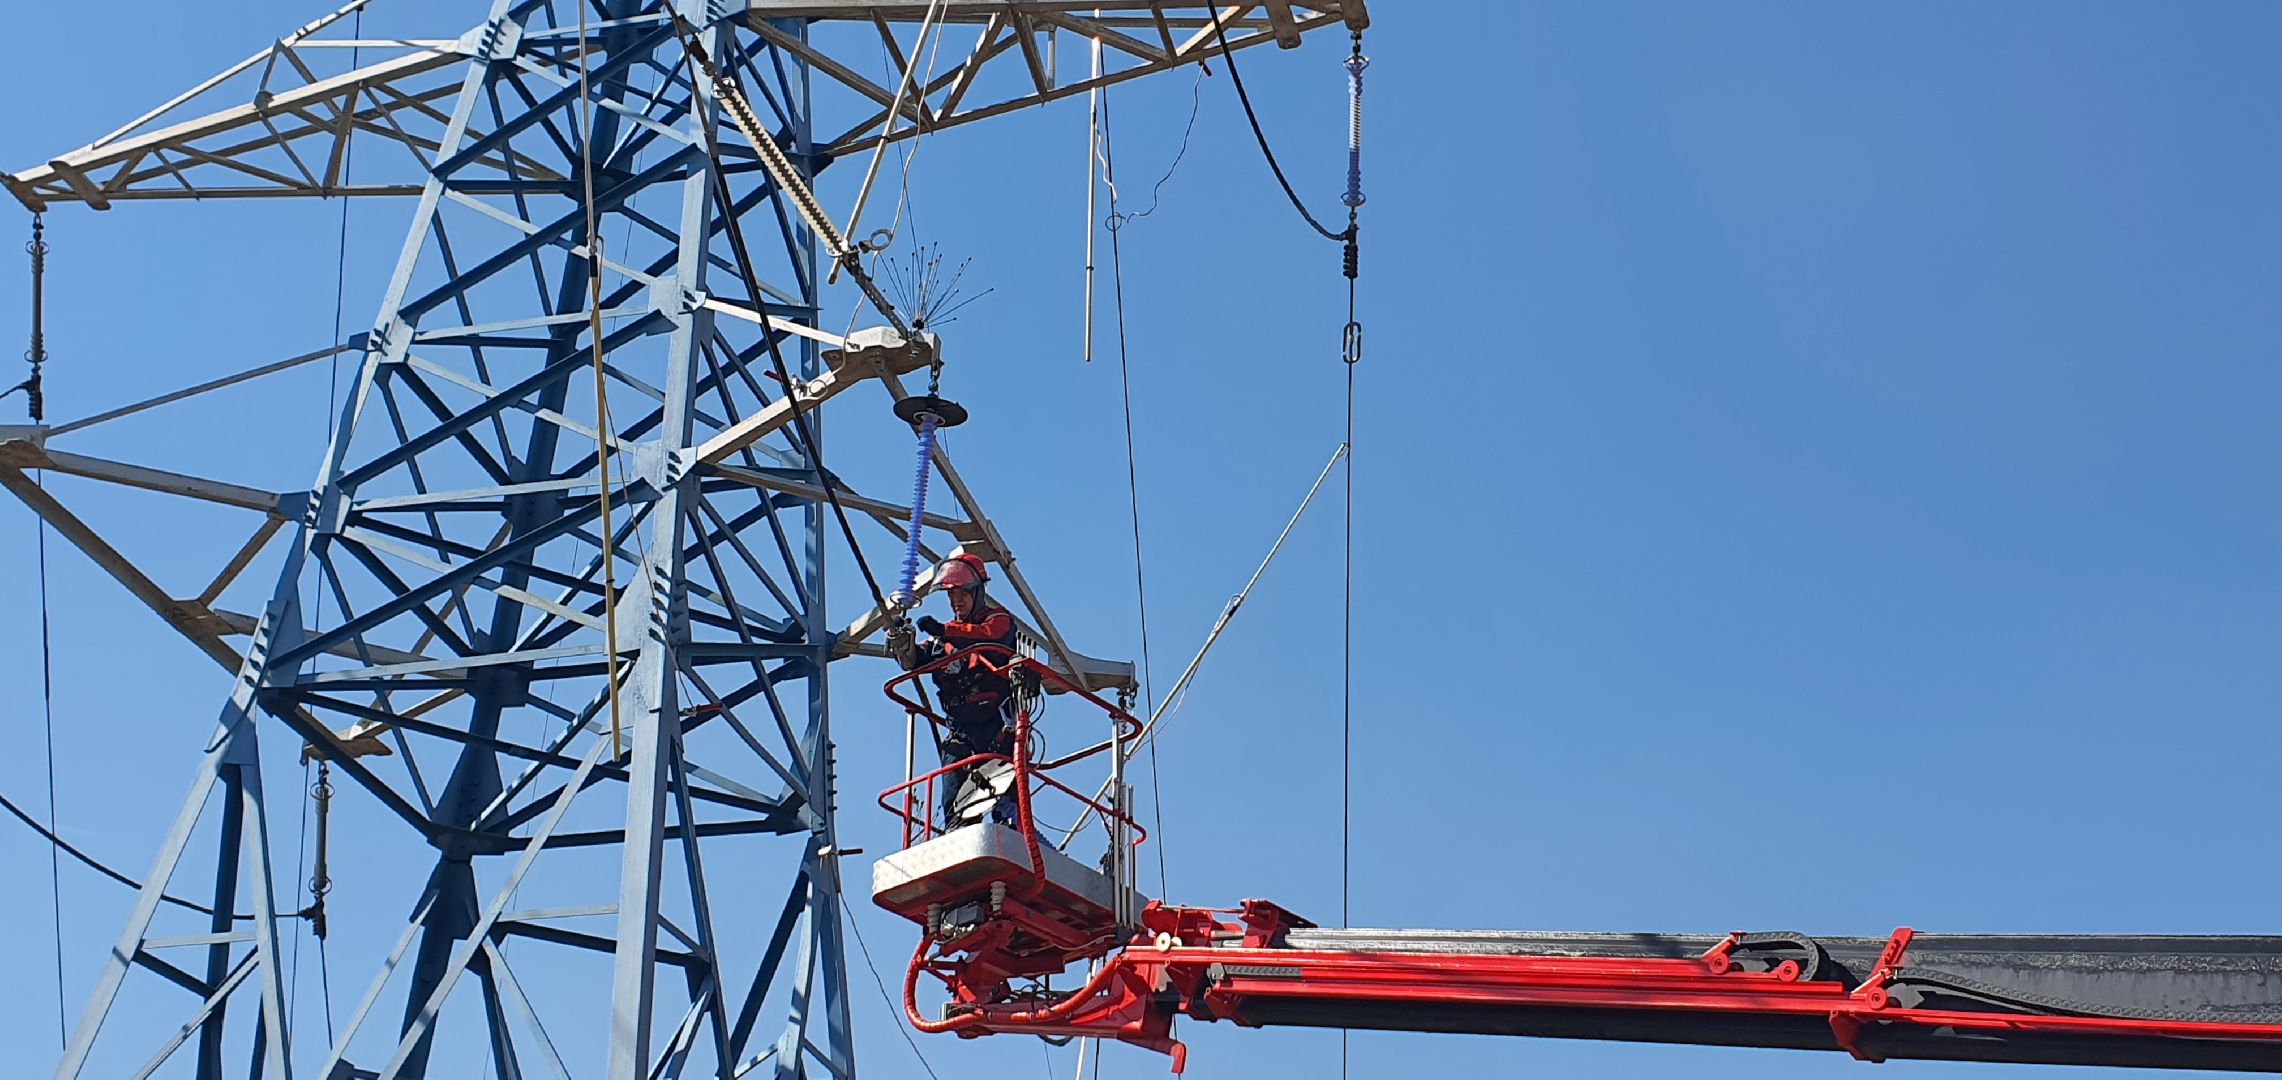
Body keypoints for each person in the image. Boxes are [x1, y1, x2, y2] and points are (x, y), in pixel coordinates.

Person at [897, 553, 1021, 829]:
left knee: (1009, 806)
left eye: (961, 593)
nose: (955, 601)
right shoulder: (943, 642)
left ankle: (1014, 833)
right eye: (951, 595)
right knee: (956, 801)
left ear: (977, 592)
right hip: (961, 732)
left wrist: (945, 629)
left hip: (997, 729)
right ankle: (959, 836)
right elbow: (916, 660)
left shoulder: (998, 621)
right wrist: (902, 643)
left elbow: (988, 635)